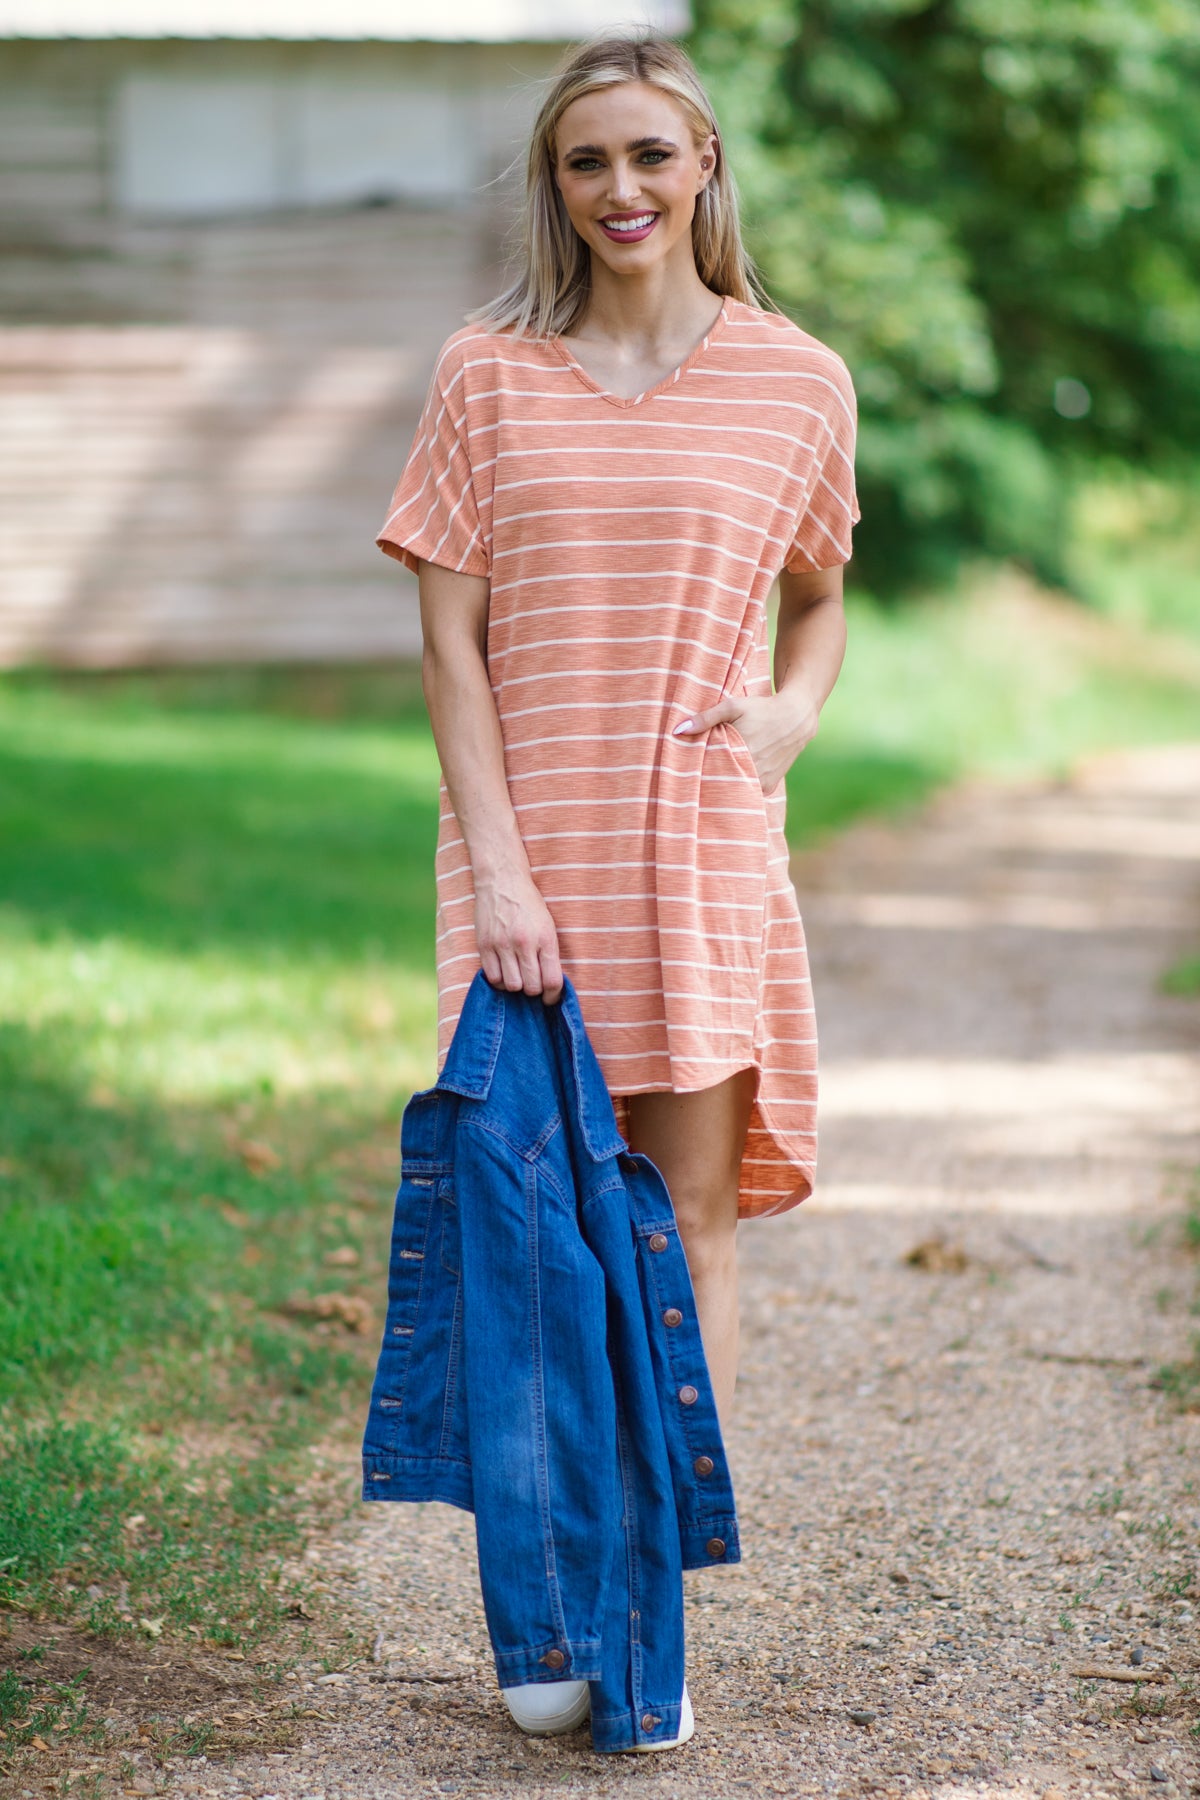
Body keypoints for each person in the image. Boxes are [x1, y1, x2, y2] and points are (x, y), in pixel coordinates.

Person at [375, 27, 857, 1740]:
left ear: (705, 162)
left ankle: (644, 1613)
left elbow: (820, 593)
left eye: (652, 153)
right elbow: (449, 643)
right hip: (528, 861)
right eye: (589, 161)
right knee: (532, 1243)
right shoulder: (486, 375)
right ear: (556, 185)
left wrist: (792, 714)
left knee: (684, 1223)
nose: (622, 188)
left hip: (704, 847)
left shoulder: (799, 380)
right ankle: (555, 1595)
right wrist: (501, 875)